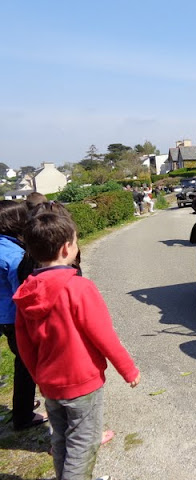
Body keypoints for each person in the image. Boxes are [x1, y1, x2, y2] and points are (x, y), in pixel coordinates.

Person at [14, 212, 141, 479]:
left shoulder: (26, 291)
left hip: (49, 383)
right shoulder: (79, 287)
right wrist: (128, 370)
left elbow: (24, 345)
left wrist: (39, 377)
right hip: (82, 382)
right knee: (84, 443)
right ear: (66, 248)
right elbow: (103, 335)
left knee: (61, 440)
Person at [0, 200, 46, 431]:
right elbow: (23, 293)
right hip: (13, 317)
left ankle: (23, 408)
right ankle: (23, 415)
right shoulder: (14, 254)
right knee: (27, 365)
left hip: (3, 316)